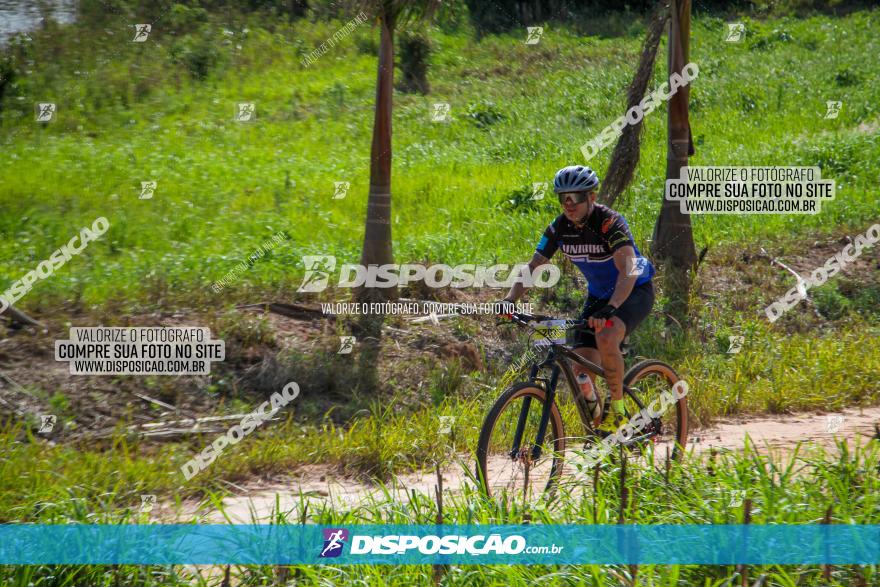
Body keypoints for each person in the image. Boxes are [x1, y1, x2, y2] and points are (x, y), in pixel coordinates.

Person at [500, 165, 655, 436]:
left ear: (591, 197)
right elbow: (535, 265)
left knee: (607, 336)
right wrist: (510, 299)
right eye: (563, 198)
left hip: (633, 290)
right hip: (599, 296)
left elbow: (628, 270)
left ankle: (618, 412)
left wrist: (611, 308)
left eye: (575, 197)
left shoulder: (609, 223)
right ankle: (600, 432)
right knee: (581, 370)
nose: (568, 204)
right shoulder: (558, 228)